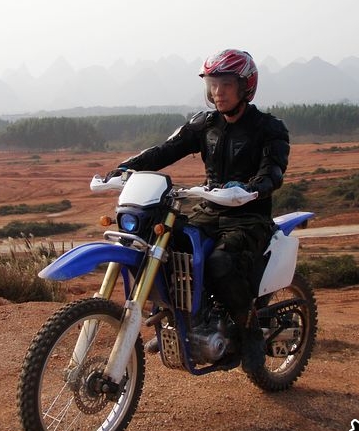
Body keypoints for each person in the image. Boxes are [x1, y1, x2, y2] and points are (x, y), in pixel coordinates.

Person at [104, 49, 290, 374]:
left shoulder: (268, 128)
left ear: (245, 86)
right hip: (208, 210)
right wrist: (126, 167)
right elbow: (165, 150)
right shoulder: (205, 124)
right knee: (164, 246)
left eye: (226, 84)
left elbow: (273, 171)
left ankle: (249, 333)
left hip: (248, 216)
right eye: (213, 84)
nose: (218, 92)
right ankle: (178, 321)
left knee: (221, 262)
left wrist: (251, 188)